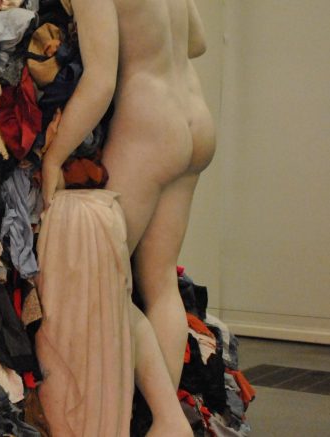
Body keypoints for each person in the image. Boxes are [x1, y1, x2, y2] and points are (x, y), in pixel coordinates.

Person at [38, 0, 213, 435]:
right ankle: (163, 420)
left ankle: (168, 418)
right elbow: (197, 42)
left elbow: (100, 81)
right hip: (195, 116)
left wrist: (54, 157)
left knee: (109, 280)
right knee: (160, 283)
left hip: (149, 123)